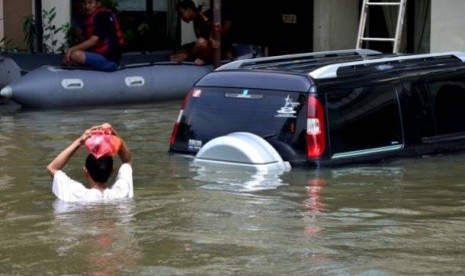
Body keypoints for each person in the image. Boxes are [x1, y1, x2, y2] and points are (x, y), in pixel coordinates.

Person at [47, 123, 133, 202]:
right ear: (112, 171)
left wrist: (80, 141)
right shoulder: (121, 193)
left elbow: (52, 168)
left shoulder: (78, 195)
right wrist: (114, 135)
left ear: (85, 171)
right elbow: (127, 161)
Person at [63, 0, 125, 71]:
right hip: (95, 55)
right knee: (69, 59)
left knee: (75, 55)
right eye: (84, 3)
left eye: (90, 3)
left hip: (109, 60)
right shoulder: (84, 17)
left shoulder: (104, 15)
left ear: (98, 3)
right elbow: (81, 38)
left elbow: (94, 40)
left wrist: (70, 49)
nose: (87, 6)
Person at [170, 0, 234, 65]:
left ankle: (187, 57)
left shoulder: (202, 17)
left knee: (200, 42)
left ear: (189, 10)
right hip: (209, 46)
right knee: (181, 49)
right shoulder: (196, 19)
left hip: (219, 47)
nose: (181, 17)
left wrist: (202, 57)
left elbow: (212, 38)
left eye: (181, 13)